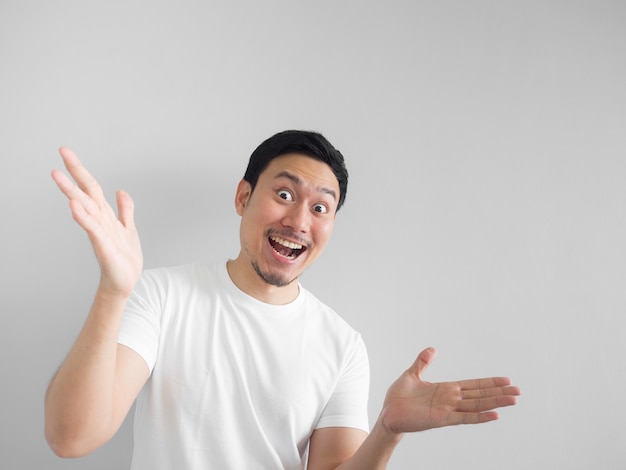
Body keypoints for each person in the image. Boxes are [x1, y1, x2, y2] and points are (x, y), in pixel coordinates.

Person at [45, 130, 520, 469]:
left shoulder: (342, 345)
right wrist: (114, 289)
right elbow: (71, 438)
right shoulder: (163, 295)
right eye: (284, 193)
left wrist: (386, 433)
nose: (299, 220)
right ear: (243, 197)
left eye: (320, 207)